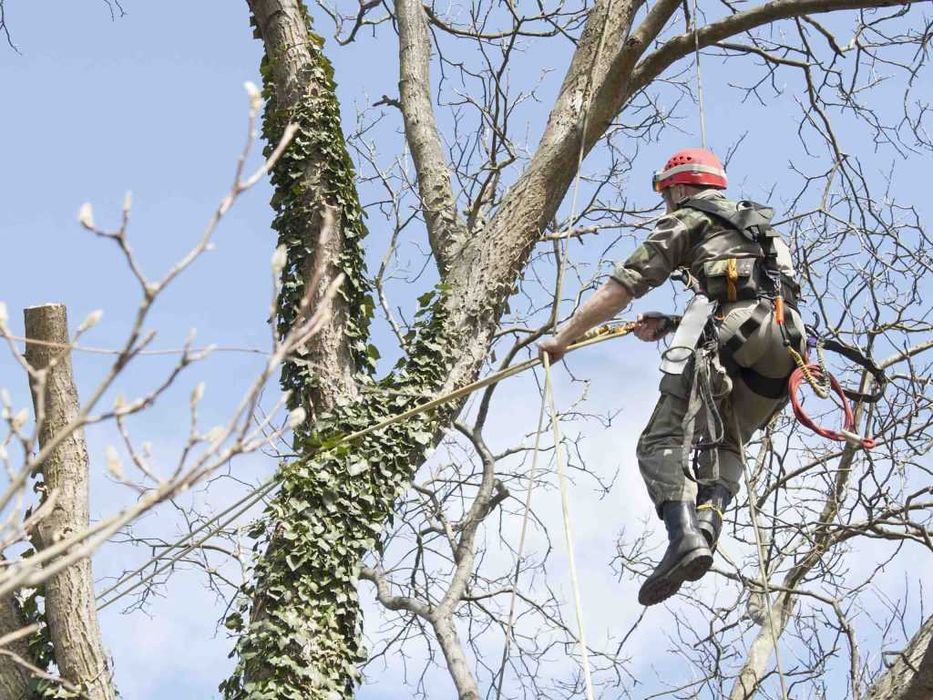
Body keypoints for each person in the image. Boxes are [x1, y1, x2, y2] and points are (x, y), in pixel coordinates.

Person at [539, 148, 807, 606]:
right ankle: (707, 522)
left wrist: (563, 338)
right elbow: (749, 290)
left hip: (736, 332)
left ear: (680, 188)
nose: (667, 204)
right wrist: (667, 324)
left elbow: (621, 288)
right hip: (788, 347)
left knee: (659, 441)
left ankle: (683, 538)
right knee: (727, 443)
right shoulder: (762, 231)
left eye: (667, 195)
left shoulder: (688, 218)